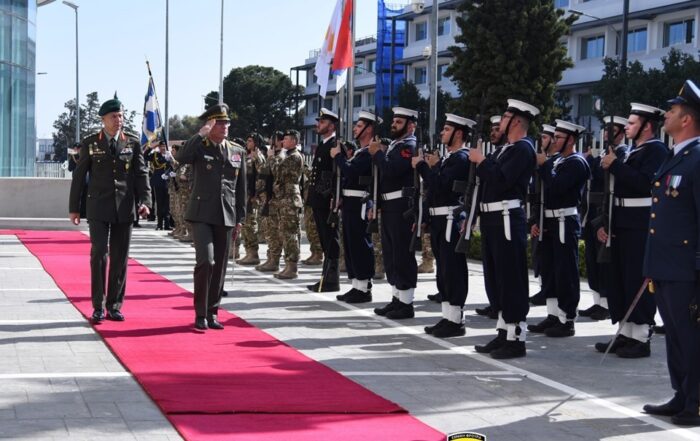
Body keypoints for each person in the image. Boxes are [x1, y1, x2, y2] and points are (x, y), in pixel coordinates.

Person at [641, 79, 700, 426]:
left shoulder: (697, 159)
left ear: (687, 119)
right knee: (676, 337)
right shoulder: (677, 157)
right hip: (666, 265)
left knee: (691, 338)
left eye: (672, 110)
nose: (666, 115)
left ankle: (696, 402)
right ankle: (682, 395)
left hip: (686, 269)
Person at [68, 95, 151, 324]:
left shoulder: (132, 142)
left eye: (121, 116)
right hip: (98, 207)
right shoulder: (90, 143)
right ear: (103, 119)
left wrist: (145, 201)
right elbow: (79, 177)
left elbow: (141, 173)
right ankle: (98, 306)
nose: (118, 120)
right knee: (99, 254)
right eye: (114, 116)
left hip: (124, 207)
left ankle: (114, 305)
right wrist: (74, 208)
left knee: (120, 257)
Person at [594, 105, 667, 358]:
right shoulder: (629, 151)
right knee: (620, 279)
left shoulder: (656, 150)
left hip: (639, 223)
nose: (627, 127)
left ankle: (641, 336)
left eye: (632, 123)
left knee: (637, 279)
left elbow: (645, 183)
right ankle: (625, 333)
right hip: (620, 221)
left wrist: (615, 166)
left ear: (647, 127)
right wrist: (605, 223)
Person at [470, 99, 538, 359]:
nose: (501, 122)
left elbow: (501, 181)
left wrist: (481, 162)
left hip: (507, 218)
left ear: (517, 122)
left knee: (511, 280)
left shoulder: (523, 149)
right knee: (496, 280)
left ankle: (516, 338)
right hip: (493, 219)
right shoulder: (505, 150)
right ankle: (503, 332)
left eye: (506, 118)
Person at [175, 103, 246, 331]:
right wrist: (200, 134)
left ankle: (212, 312)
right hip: (201, 213)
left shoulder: (237, 151)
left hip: (226, 214)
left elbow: (241, 188)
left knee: (220, 266)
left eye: (226, 123)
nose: (224, 127)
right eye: (219, 123)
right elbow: (182, 157)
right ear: (210, 125)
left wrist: (240, 218)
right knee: (206, 261)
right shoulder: (200, 146)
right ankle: (199, 313)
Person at [528, 120, 590, 339]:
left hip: (565, 221)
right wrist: (537, 220)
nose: (554, 141)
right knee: (550, 271)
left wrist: (544, 166)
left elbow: (556, 188)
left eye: (559, 138)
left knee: (566, 272)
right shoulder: (556, 161)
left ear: (571, 140)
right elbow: (541, 193)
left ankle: (567, 319)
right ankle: (553, 315)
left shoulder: (577, 163)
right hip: (549, 221)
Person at [414, 113, 473, 337]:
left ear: (458, 134)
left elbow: (440, 185)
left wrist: (423, 166)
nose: (442, 133)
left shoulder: (461, 159)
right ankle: (448, 317)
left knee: (453, 271)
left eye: (447, 129)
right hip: (439, 220)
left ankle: (456, 320)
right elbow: (434, 191)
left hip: (450, 220)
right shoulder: (450, 159)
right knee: (444, 272)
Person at [370, 107, 419, 320]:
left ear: (411, 126)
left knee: (402, 254)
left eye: (399, 122)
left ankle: (406, 303)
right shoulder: (395, 146)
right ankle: (397, 298)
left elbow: (392, 171)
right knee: (391, 255)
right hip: (389, 206)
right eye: (394, 121)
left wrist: (378, 154)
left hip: (401, 207)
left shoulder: (409, 146)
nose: (393, 124)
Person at [579, 117, 629, 320]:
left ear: (622, 134)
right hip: (592, 211)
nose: (607, 134)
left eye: (612, 130)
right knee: (592, 258)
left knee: (603, 259)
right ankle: (597, 301)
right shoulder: (603, 155)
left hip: (605, 211)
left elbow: (604, 176)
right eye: (606, 130)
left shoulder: (622, 154)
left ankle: (606, 304)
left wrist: (593, 162)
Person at [333, 111, 380, 303]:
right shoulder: (361, 152)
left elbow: (352, 172)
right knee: (351, 245)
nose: (355, 129)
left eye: (359, 126)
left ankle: (364, 288)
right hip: (350, 203)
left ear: (369, 130)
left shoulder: (369, 152)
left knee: (360, 245)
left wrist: (338, 157)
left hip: (360, 203)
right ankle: (356, 285)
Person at [472, 115, 505, 317]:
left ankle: (501, 305)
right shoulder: (495, 155)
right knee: (490, 266)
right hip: (488, 215)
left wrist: (482, 161)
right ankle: (495, 303)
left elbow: (499, 181)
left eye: (497, 129)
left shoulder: (511, 153)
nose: (493, 133)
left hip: (501, 216)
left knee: (501, 266)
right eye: (491, 129)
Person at [306, 108, 341, 292]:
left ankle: (331, 280)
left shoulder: (335, 145)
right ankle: (325, 278)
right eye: (319, 121)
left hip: (327, 200)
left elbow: (335, 175)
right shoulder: (323, 145)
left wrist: (333, 196)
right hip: (319, 200)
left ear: (332, 126)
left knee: (330, 239)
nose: (318, 124)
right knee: (324, 238)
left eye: (322, 122)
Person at [527, 123, 555, 307]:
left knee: (550, 260)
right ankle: (543, 288)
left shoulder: (553, 163)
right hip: (539, 215)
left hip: (552, 218)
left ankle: (548, 291)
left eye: (545, 137)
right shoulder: (541, 162)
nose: (541, 141)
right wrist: (534, 220)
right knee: (540, 257)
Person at [271, 129, 304, 279]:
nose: (283, 141)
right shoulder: (289, 156)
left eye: (286, 139)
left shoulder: (294, 157)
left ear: (294, 141)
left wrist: (274, 157)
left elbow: (277, 171)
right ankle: (288, 265)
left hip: (289, 199)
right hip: (285, 198)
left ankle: (292, 267)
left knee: (290, 233)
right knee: (285, 232)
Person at [256, 132, 285, 272]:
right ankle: (271, 258)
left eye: (274, 141)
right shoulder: (272, 156)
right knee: (269, 230)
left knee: (274, 231)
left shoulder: (282, 156)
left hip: (277, 198)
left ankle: (274, 260)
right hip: (268, 197)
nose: (271, 143)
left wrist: (271, 157)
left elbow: (278, 173)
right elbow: (263, 172)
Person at [237, 133, 267, 266]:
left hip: (252, 196)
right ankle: (248, 252)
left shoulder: (258, 157)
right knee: (245, 225)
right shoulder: (246, 156)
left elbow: (262, 174)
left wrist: (257, 193)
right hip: (244, 194)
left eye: (250, 141)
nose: (247, 143)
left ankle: (253, 254)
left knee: (251, 224)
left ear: (256, 143)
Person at [145, 141, 173, 230]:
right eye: (161, 146)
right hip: (158, 182)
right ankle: (159, 224)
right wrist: (152, 147)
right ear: (159, 147)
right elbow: (145, 156)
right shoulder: (155, 155)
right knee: (159, 203)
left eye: (164, 146)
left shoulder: (169, 155)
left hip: (168, 182)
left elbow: (174, 166)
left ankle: (167, 224)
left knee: (167, 204)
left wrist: (171, 158)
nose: (163, 148)